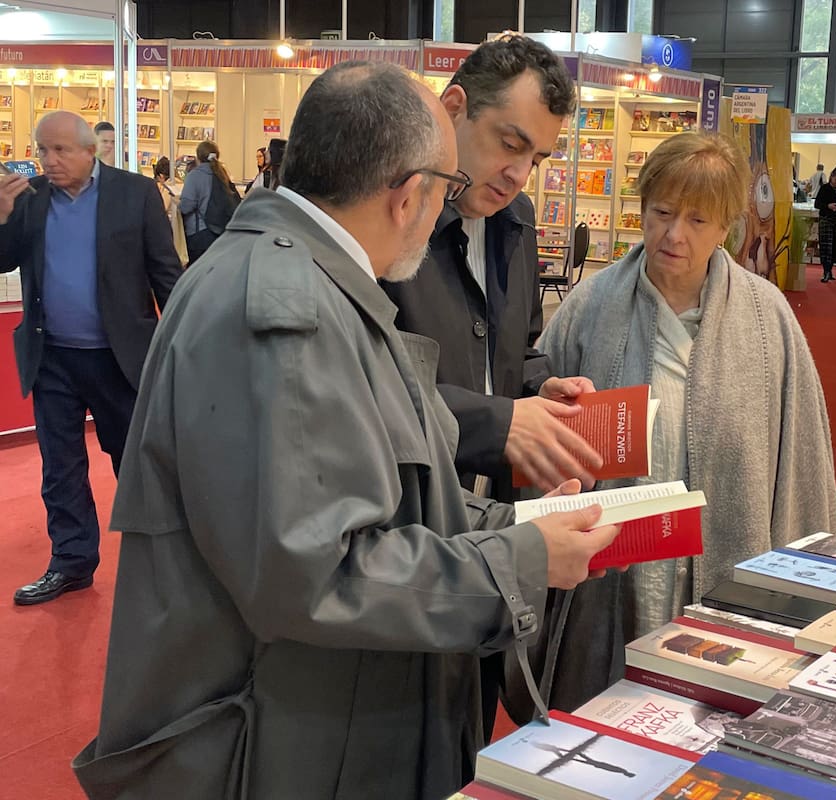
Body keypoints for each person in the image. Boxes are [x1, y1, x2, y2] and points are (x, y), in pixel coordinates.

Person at [71, 61, 620, 800]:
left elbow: (388, 492)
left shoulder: (320, 286)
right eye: (447, 189)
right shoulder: (283, 311)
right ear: (408, 194)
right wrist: (517, 560)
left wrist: (522, 528)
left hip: (325, 721)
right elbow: (315, 574)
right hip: (280, 745)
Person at [509, 131, 836, 722]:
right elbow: (530, 436)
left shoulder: (768, 319)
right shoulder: (589, 307)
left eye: (697, 220)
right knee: (604, 723)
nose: (674, 235)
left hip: (724, 561)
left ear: (726, 229)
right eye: (662, 213)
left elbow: (801, 466)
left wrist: (810, 586)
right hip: (613, 572)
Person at [381, 36, 602, 503]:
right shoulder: (388, 222)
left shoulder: (517, 220)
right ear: (454, 109)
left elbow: (517, 347)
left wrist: (541, 387)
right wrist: (501, 423)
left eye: (535, 160)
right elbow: (373, 386)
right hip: (412, 507)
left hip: (491, 512)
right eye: (509, 144)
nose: (519, 175)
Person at [0, 111, 181, 605]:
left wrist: (183, 342)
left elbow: (166, 273)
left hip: (119, 358)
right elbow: (4, 259)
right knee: (60, 468)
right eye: (42, 150)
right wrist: (1, 217)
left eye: (60, 150)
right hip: (52, 357)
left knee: (135, 464)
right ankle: (71, 562)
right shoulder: (29, 198)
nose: (49, 160)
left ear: (90, 151)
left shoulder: (134, 193)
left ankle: (160, 565)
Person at [179, 140, 239, 263]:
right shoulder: (223, 174)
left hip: (199, 234)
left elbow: (186, 207)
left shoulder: (194, 176)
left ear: (198, 157)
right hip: (221, 232)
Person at [153, 156, 188, 264]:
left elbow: (161, 209)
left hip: (174, 231)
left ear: (161, 176)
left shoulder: (169, 188)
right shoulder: (182, 184)